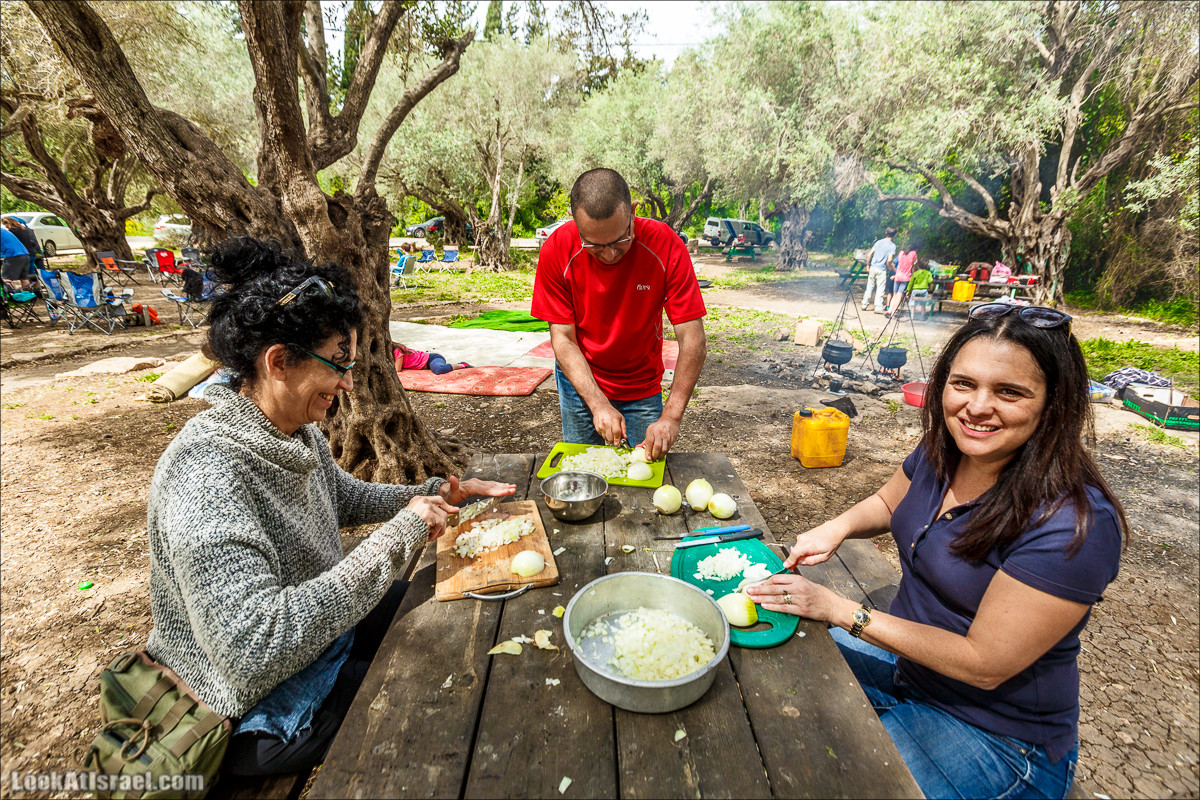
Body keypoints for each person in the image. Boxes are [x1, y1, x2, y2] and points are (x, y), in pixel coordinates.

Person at [145, 237, 515, 776]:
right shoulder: (205, 475)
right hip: (243, 706)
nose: (346, 383)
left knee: (443, 613)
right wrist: (399, 534)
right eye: (337, 364)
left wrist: (431, 495)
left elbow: (341, 497)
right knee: (421, 682)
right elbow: (250, 652)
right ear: (278, 361)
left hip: (312, 634)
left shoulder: (292, 430)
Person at [747, 303, 1126, 800]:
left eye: (1009, 392)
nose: (977, 407)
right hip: (908, 666)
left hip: (995, 733)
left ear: (1054, 402)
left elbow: (984, 662)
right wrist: (833, 529)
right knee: (765, 674)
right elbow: (888, 500)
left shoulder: (1074, 524)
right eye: (963, 384)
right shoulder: (945, 448)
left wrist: (839, 609)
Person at [531, 168, 707, 460]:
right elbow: (562, 339)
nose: (610, 254)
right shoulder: (557, 250)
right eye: (595, 246)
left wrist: (671, 417)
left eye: (619, 240)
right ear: (575, 225)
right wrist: (597, 404)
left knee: (643, 470)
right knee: (584, 469)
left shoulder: (665, 245)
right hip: (581, 382)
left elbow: (693, 340)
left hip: (641, 382)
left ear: (633, 212)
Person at [862, 227, 897, 313]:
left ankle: (864, 304)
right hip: (881, 270)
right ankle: (878, 307)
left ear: (886, 232)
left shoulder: (878, 242)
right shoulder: (892, 246)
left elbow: (869, 254)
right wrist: (890, 267)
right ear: (894, 235)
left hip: (873, 267)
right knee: (880, 289)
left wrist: (868, 265)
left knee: (869, 287)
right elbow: (889, 260)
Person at [393, 343, 470, 375]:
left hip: (431, 359)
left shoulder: (397, 350)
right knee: (437, 369)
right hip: (428, 365)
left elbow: (397, 370)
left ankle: (462, 364)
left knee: (439, 370)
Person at [888, 246, 918, 316]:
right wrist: (913, 274)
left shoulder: (901, 252)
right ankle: (893, 312)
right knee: (899, 295)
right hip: (905, 277)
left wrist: (896, 272)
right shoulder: (914, 253)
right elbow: (913, 266)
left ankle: (890, 310)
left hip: (897, 276)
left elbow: (899, 263)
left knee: (894, 294)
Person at [0, 223, 31, 290]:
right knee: (24, 278)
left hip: (13, 255)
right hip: (25, 254)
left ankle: (10, 295)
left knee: (7, 278)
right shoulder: (3, 231)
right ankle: (29, 294)